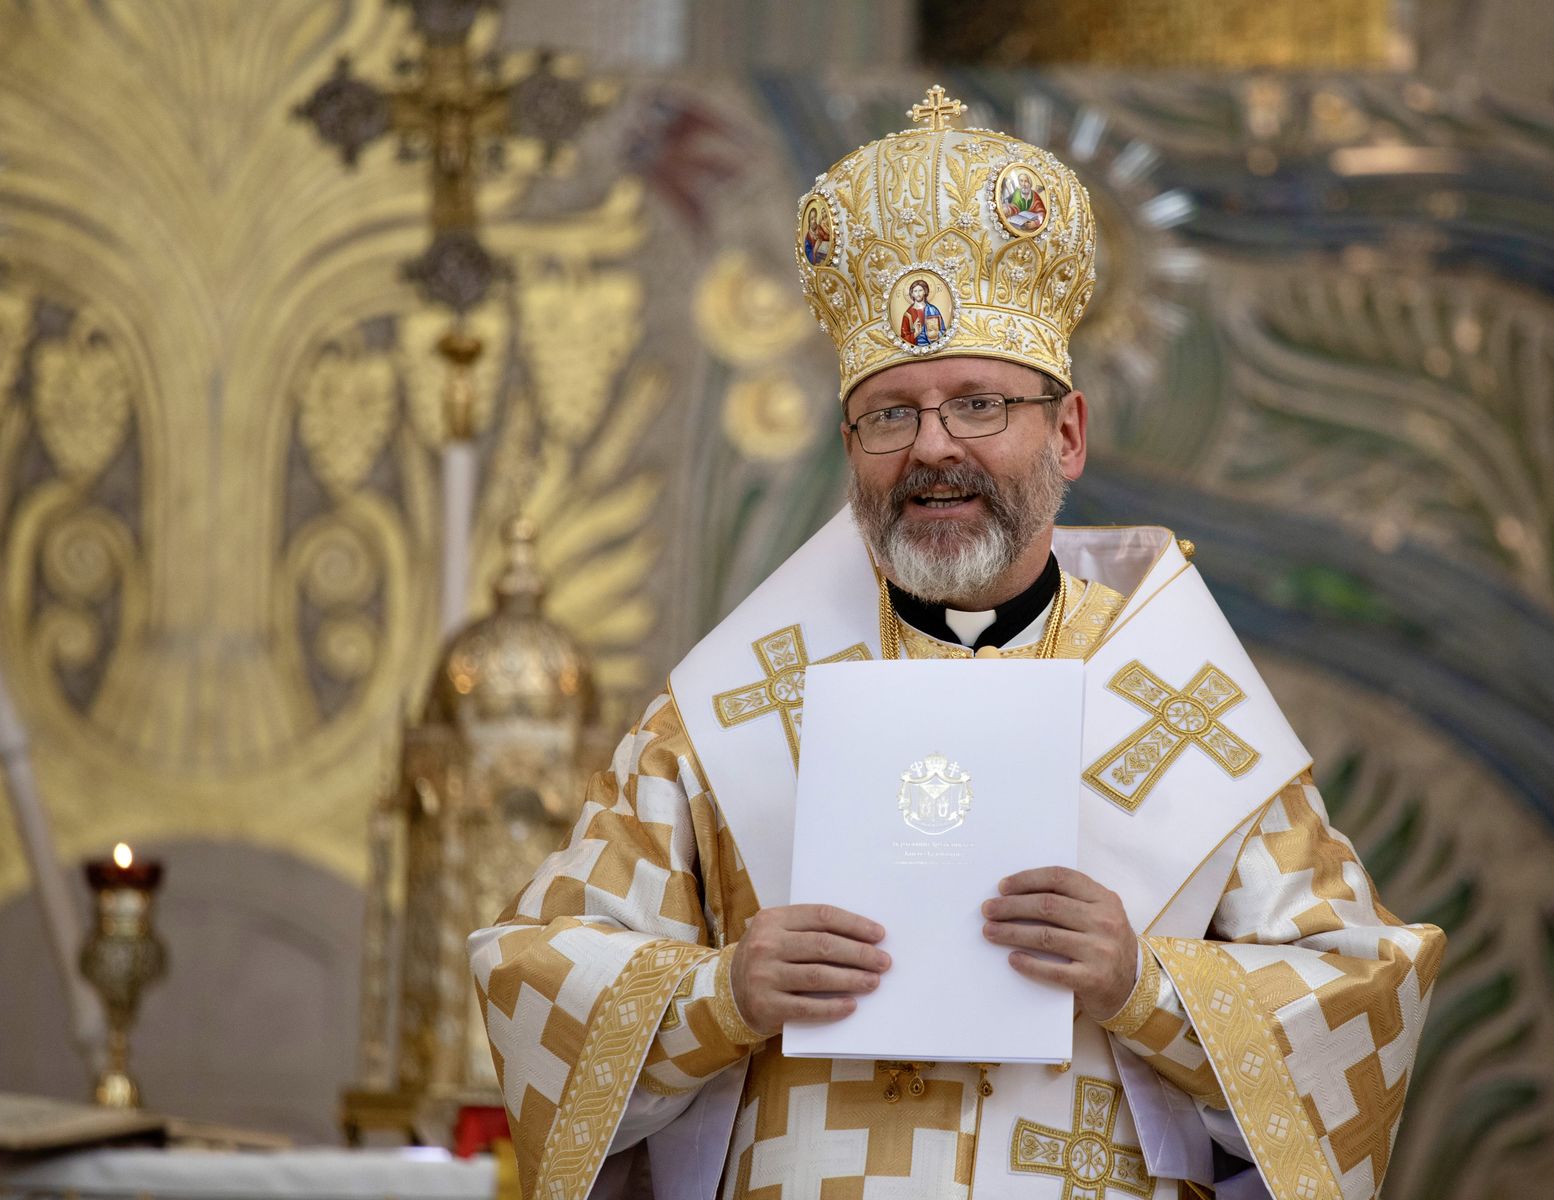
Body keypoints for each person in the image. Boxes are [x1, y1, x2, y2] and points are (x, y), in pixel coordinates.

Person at [471, 88, 1444, 1200]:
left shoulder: (1184, 702)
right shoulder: (725, 710)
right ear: (851, 447)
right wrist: (723, 994)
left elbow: (1364, 997)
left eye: (979, 403)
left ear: (1064, 433)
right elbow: (535, 971)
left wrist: (1147, 984)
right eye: (892, 414)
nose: (935, 449)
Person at [899, 277, 948, 346]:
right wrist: (915, 333)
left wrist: (934, 333)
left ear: (925, 291)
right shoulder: (908, 314)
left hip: (934, 345)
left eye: (920, 290)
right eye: (915, 291)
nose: (918, 293)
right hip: (916, 347)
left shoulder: (933, 310)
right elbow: (903, 338)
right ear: (912, 293)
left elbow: (943, 331)